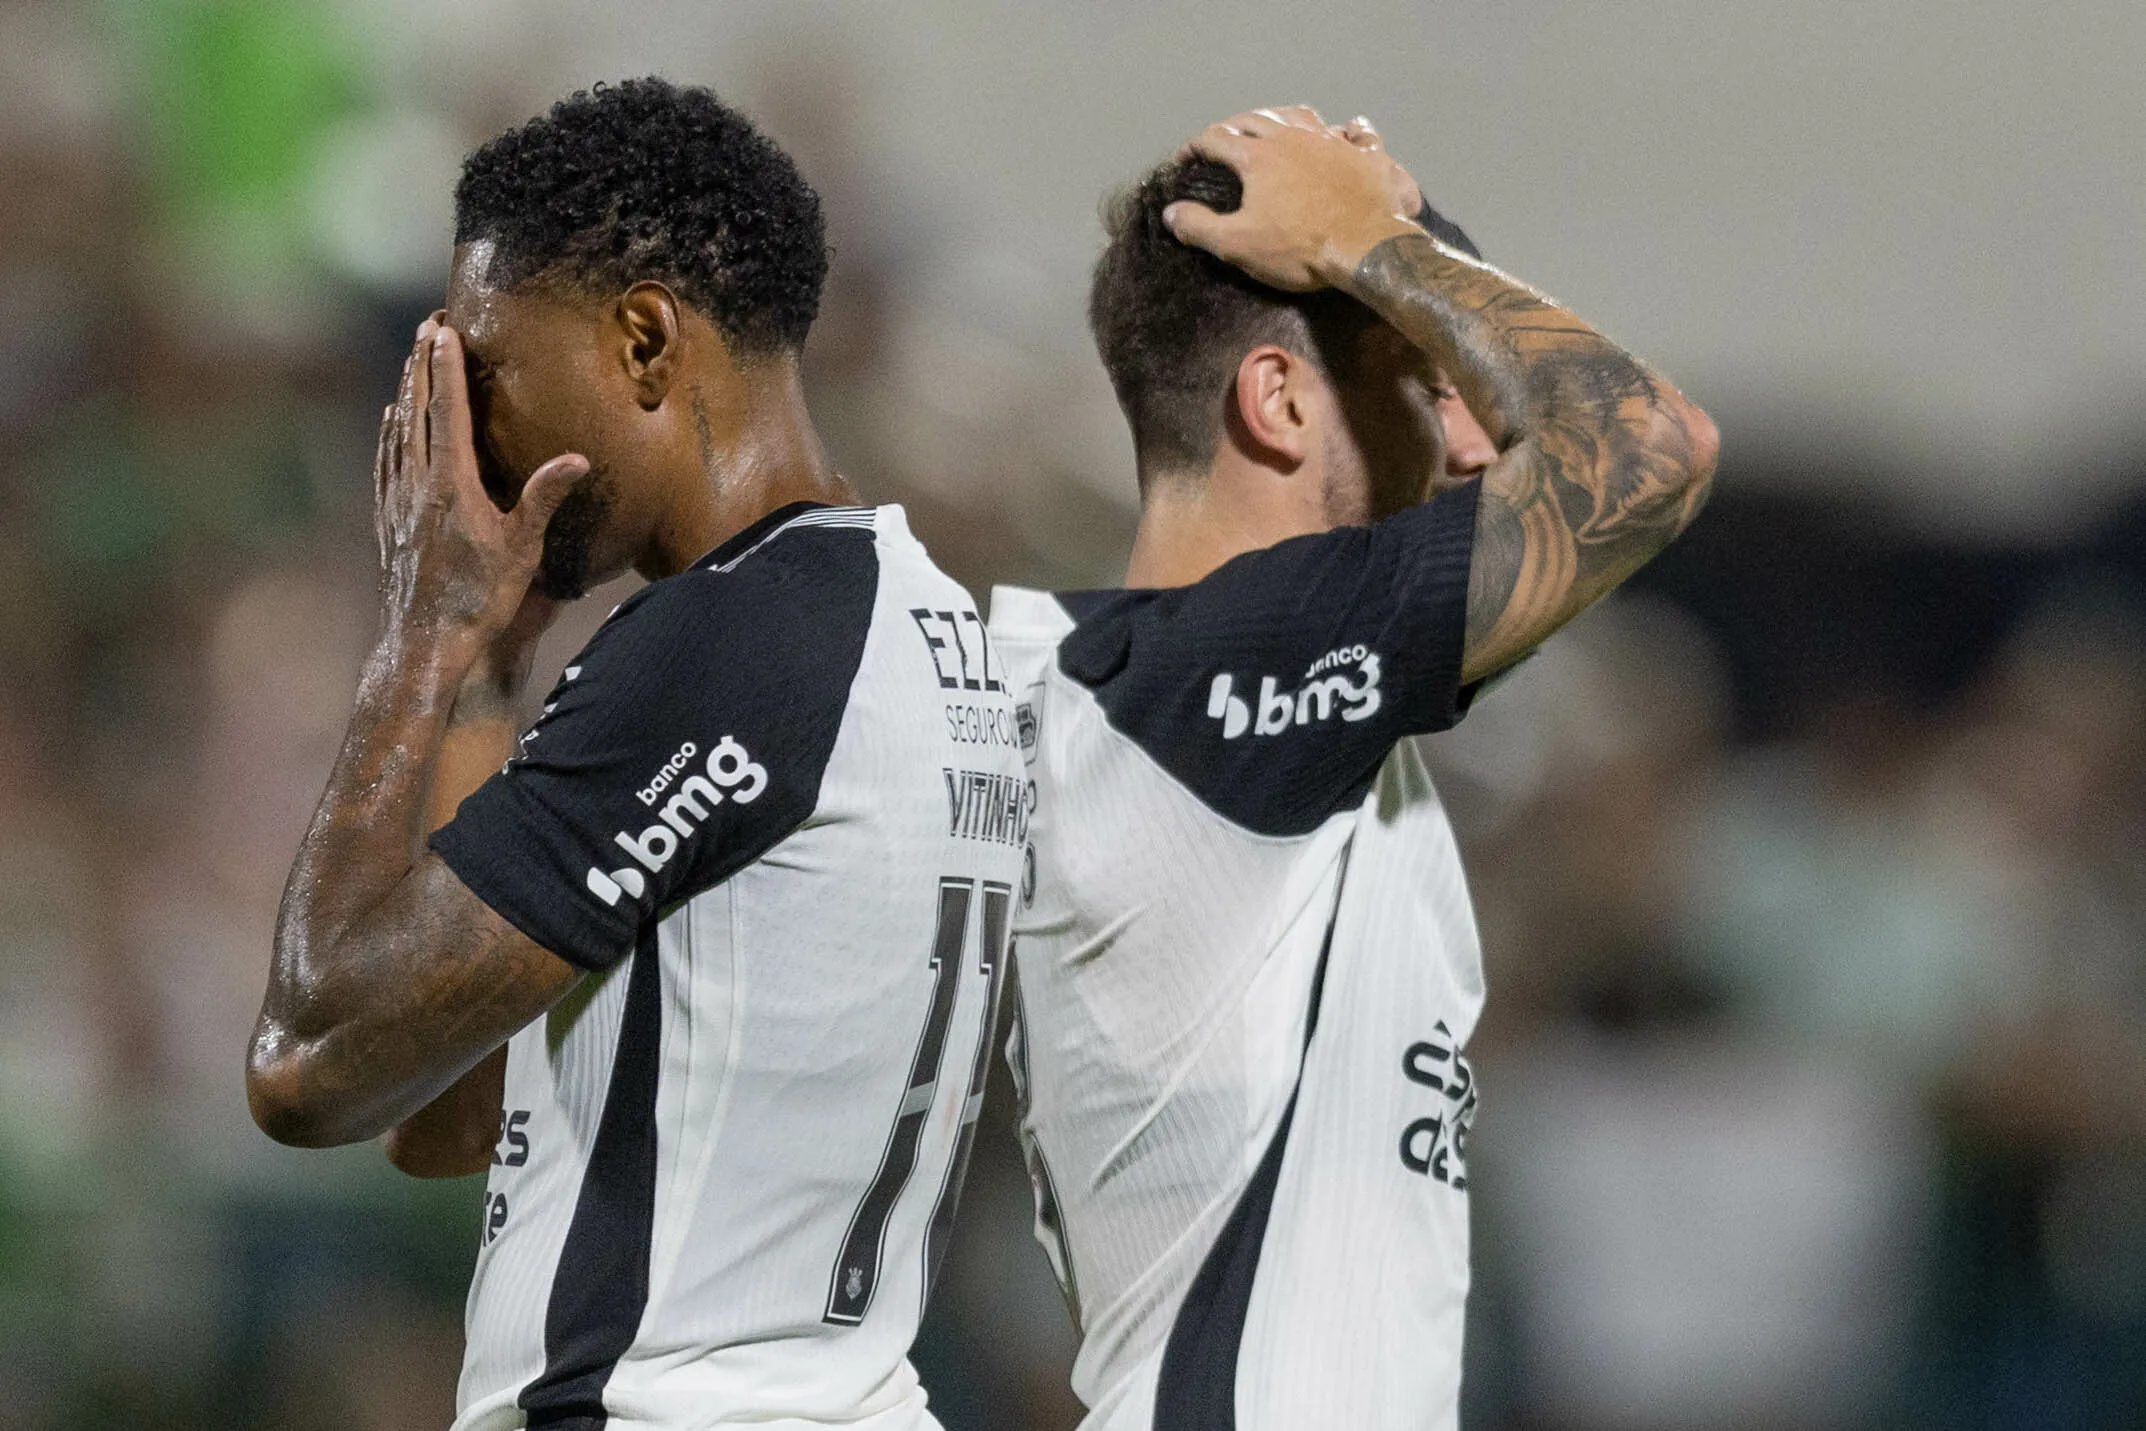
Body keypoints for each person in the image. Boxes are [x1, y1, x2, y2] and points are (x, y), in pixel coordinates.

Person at [246, 79, 1022, 1431]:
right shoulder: (913, 625)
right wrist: (493, 665)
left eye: (485, 369)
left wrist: (423, 631)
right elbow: (455, 1112)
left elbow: (314, 1064)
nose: (464, 433)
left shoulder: (732, 642)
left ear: (645, 339)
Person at [987, 106, 1718, 1430]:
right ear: (1274, 400)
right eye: (1432, 388)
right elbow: (1643, 451)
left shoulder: (1192, 705)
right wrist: (1369, 238)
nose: (1480, 444)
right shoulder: (1215, 680)